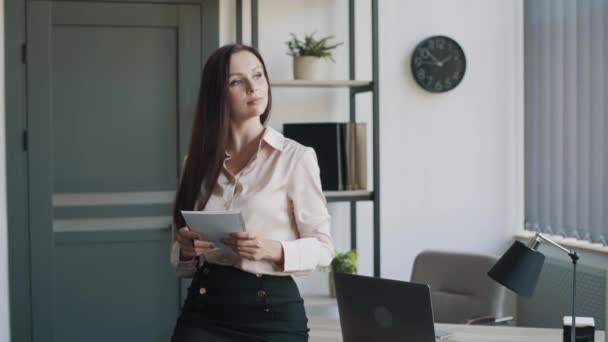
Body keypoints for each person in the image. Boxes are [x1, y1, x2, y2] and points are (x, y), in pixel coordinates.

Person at [170, 44, 335, 341]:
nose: (253, 87)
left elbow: (324, 248)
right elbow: (181, 266)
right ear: (217, 94)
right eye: (237, 81)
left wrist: (272, 249)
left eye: (258, 76)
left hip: (272, 314)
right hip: (204, 310)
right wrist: (185, 248)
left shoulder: (296, 157)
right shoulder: (194, 163)